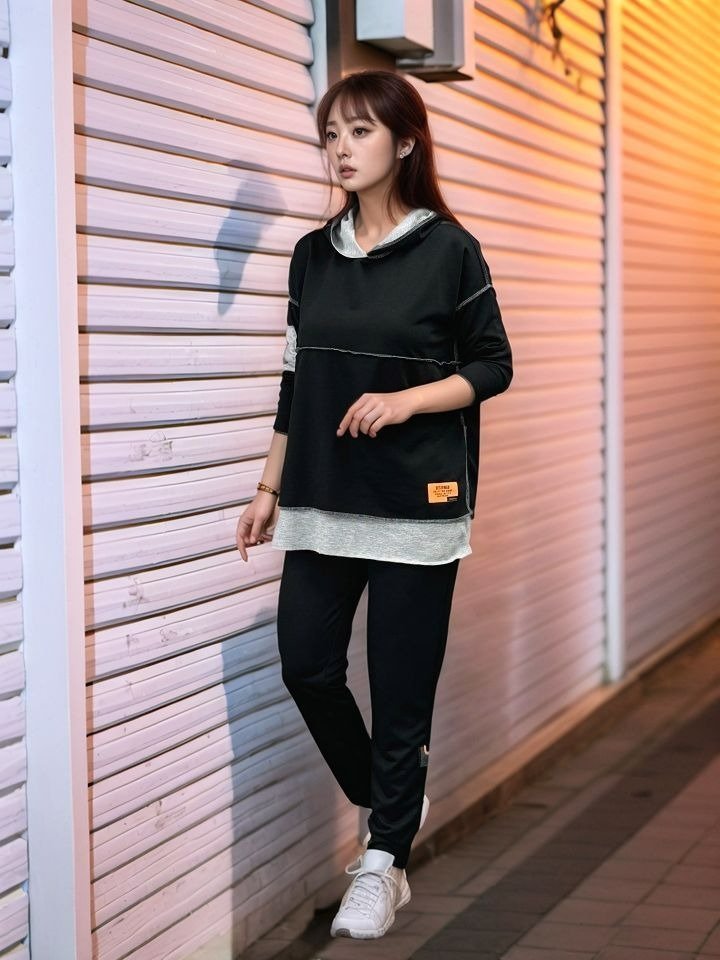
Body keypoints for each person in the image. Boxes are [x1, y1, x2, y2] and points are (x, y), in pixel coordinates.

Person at [236, 69, 513, 940]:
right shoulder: (311, 255)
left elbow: (493, 365)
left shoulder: (449, 250)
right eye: (331, 133)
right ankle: (390, 801)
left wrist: (407, 401)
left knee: (400, 693)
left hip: (416, 501)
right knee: (307, 665)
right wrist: (269, 486)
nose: (341, 149)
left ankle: (383, 860)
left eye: (359, 131)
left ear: (405, 142)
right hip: (323, 496)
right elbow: (295, 380)